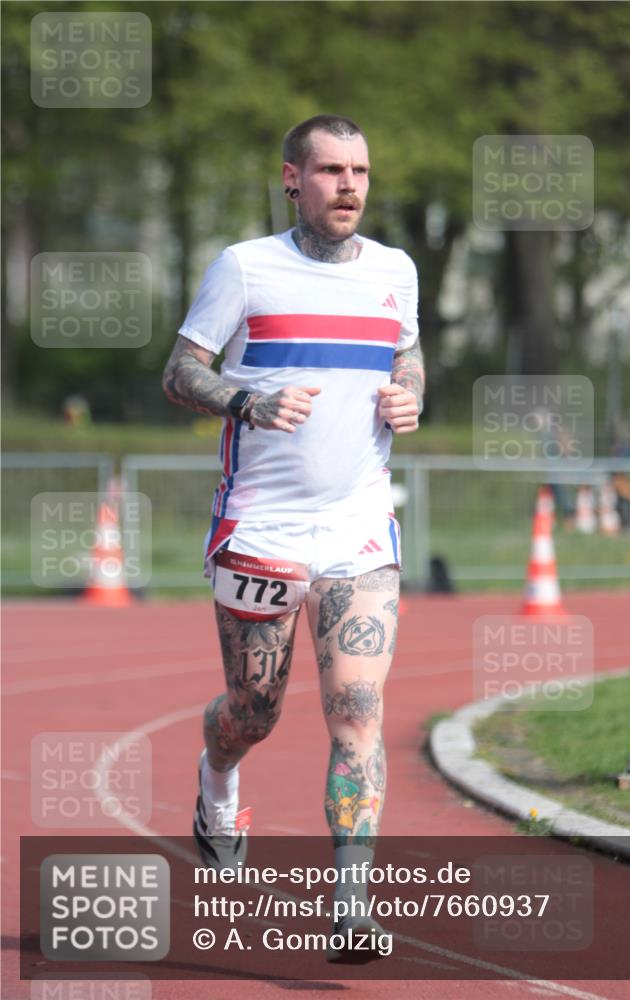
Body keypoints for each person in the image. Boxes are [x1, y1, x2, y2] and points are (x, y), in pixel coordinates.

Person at [162, 114, 424, 961]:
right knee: (253, 712)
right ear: (291, 179)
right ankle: (216, 782)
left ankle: (352, 910)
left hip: (359, 526)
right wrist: (247, 400)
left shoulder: (395, 270)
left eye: (360, 171)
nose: (348, 186)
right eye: (330, 170)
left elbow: (407, 356)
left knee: (357, 714)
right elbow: (180, 371)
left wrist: (410, 395)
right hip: (262, 525)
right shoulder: (245, 266)